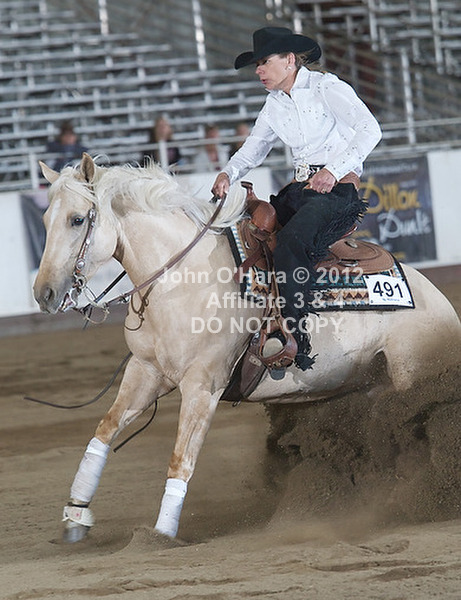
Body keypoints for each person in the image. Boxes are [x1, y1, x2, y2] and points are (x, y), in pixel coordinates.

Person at [212, 26, 382, 373]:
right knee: (248, 233)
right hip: (301, 190)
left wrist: (333, 170)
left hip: (338, 190)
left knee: (291, 242)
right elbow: (255, 147)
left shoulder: (327, 88)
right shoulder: (274, 103)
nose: (259, 71)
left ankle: (295, 338)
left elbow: (371, 130)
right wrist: (228, 173)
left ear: (289, 60)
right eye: (257, 65)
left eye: (264, 62)